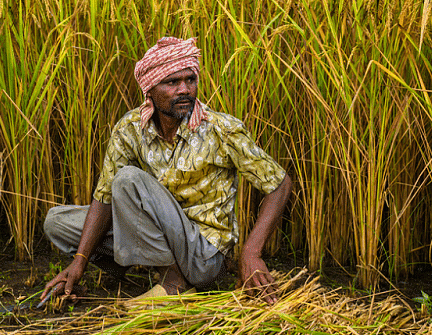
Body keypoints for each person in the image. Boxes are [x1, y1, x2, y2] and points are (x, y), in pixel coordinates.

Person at [40, 36, 292, 306]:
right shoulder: (130, 129)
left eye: (190, 80)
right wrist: (80, 262)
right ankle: (153, 269)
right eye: (172, 82)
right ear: (150, 90)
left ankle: (175, 283)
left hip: (203, 255)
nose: (184, 89)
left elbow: (280, 183)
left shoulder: (221, 129)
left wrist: (251, 252)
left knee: (127, 180)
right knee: (57, 222)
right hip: (162, 240)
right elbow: (103, 197)